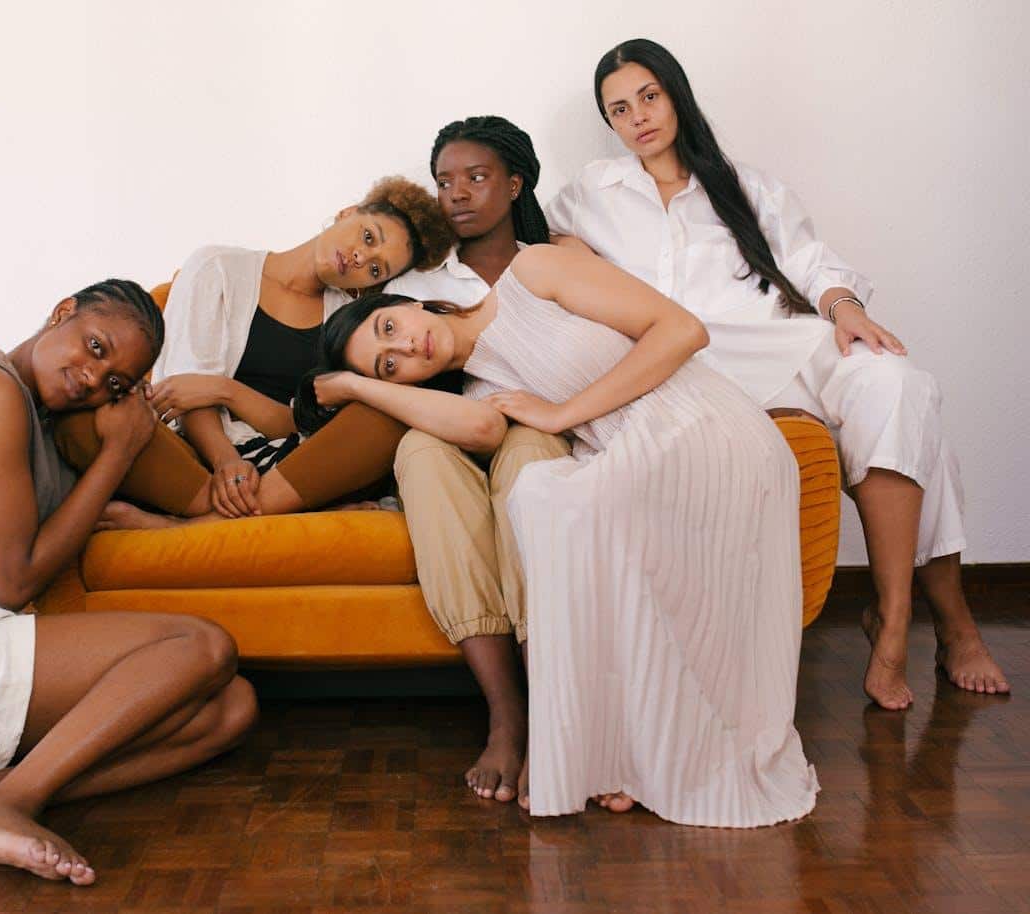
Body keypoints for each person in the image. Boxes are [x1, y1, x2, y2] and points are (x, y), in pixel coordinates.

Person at [543, 38, 1007, 709]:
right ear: (610, 124)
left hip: (786, 349)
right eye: (619, 109)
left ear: (675, 95)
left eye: (649, 96)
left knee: (900, 386)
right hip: (694, 368)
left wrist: (845, 309)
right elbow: (541, 253)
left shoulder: (746, 186)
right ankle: (952, 624)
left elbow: (813, 264)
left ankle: (896, 618)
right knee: (912, 413)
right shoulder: (589, 196)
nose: (638, 116)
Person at [295, 244, 820, 825]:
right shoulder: (477, 387)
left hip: (700, 429)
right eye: (388, 364)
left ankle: (612, 747)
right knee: (557, 503)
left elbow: (681, 330)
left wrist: (562, 413)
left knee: (552, 499)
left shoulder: (532, 272)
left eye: (389, 326)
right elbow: (481, 426)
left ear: (410, 299)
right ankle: (617, 748)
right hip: (635, 455)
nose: (404, 348)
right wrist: (358, 387)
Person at [0, 279, 258, 884]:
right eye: (94, 346)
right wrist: (119, 452)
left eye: (115, 380)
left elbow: (72, 532)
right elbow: (13, 581)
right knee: (204, 647)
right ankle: (11, 806)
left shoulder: (44, 423)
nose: (93, 377)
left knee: (230, 711)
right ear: (62, 312)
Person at [54, 178, 453, 528]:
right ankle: (270, 509)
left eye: (377, 270)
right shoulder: (218, 267)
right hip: (193, 459)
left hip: (285, 466)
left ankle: (181, 526)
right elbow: (182, 393)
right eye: (368, 237)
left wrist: (225, 391)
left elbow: (302, 424)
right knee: (86, 418)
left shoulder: (349, 324)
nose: (361, 258)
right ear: (348, 213)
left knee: (381, 415)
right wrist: (227, 460)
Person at [382, 116, 570, 804]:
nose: (456, 193)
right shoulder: (418, 281)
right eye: (444, 181)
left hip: (541, 421)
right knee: (419, 455)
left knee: (528, 465)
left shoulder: (554, 257)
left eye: (477, 177)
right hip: (457, 430)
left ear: (515, 183)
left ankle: (551, 704)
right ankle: (505, 712)